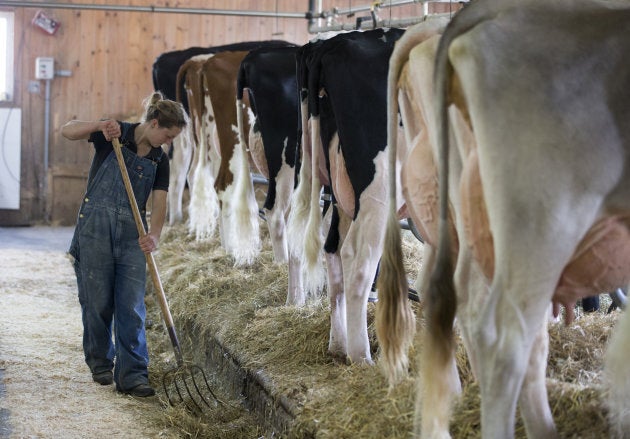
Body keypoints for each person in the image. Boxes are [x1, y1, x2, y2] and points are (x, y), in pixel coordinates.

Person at [62, 92, 187, 397]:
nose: (168, 142)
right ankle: (101, 362)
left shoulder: (160, 159)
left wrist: (154, 235)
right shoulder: (114, 135)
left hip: (133, 234)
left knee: (131, 305)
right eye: (167, 135)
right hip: (95, 229)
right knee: (97, 301)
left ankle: (132, 374)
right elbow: (67, 129)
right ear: (154, 123)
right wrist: (100, 124)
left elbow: (160, 202)